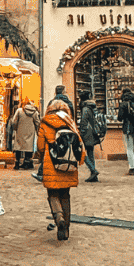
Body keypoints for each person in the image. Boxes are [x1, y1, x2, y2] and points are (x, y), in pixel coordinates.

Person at [34, 96, 81, 240]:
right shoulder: (70, 122)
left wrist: (42, 156)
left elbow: (41, 146)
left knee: (53, 194)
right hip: (68, 164)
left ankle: (59, 217)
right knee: (65, 195)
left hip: (51, 163)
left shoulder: (45, 122)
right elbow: (79, 143)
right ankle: (65, 228)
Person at [78, 98, 105, 182]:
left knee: (82, 152)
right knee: (90, 153)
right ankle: (93, 175)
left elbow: (83, 122)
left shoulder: (85, 109)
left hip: (87, 134)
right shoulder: (92, 107)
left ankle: (93, 170)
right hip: (93, 133)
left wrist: (81, 134)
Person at [8, 100, 40, 170]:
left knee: (18, 147)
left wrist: (15, 128)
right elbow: (37, 123)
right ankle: (26, 162)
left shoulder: (19, 111)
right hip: (30, 132)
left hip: (20, 131)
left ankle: (17, 163)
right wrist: (37, 131)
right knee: (28, 147)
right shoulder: (35, 112)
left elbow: (14, 121)